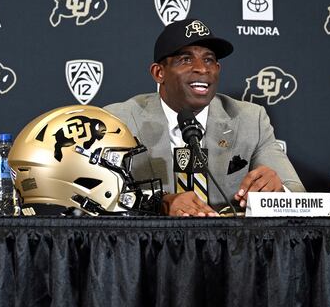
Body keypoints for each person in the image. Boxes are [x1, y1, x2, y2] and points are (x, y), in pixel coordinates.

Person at [105, 18, 305, 217]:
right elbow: (92, 194)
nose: (202, 68)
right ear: (159, 73)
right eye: (186, 59)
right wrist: (159, 203)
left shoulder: (251, 120)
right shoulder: (119, 120)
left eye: (209, 59)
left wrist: (278, 191)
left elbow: (296, 191)